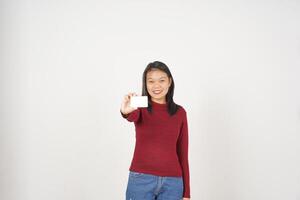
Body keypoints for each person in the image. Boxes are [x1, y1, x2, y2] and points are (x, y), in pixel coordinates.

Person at [120, 61, 191, 200]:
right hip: (141, 180)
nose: (156, 86)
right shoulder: (140, 104)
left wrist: (186, 192)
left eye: (162, 80)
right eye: (151, 81)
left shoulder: (180, 112)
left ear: (169, 82)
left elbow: (183, 153)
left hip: (173, 183)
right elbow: (131, 115)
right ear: (145, 84)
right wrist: (125, 111)